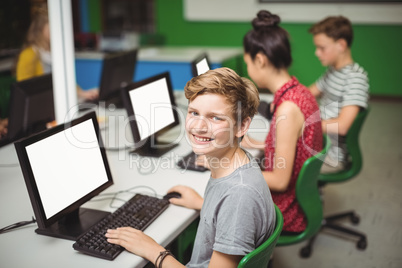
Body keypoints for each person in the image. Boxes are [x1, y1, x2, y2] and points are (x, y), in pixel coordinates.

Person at [105, 67, 276, 268]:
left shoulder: (239, 195)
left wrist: (154, 251)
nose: (198, 126)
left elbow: (236, 206)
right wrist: (202, 203)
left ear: (241, 127)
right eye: (194, 112)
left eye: (215, 117)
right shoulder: (234, 165)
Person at [241, 10, 323, 234]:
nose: (248, 68)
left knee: (213, 200)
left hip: (285, 210)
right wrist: (260, 144)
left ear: (260, 60)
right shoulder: (299, 91)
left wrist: (228, 168)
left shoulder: (287, 108)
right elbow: (295, 145)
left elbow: (278, 180)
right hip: (299, 197)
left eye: (247, 62)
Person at [308, 16, 369, 172]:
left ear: (341, 45)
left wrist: (303, 126)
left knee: (278, 160)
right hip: (319, 143)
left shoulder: (355, 78)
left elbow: (342, 126)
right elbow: (308, 93)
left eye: (322, 48)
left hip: (331, 156)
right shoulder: (333, 71)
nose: (316, 53)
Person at [16, 7, 98, 101]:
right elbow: (24, 91)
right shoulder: (29, 54)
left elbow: (65, 80)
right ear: (40, 28)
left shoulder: (55, 51)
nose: (57, 29)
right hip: (44, 106)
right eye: (52, 25)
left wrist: (83, 93)